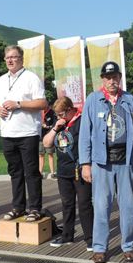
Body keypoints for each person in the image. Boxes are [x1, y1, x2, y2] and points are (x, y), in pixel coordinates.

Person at [79, 61, 133, 263]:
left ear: (120, 78)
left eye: (115, 77)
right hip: (101, 162)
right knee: (101, 206)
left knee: (127, 206)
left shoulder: (129, 99)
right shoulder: (93, 100)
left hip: (126, 161)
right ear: (103, 79)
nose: (112, 81)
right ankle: (99, 247)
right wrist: (85, 163)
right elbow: (84, 135)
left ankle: (128, 245)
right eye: (108, 78)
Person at [0, 45, 47, 222]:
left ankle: (35, 208)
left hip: (28, 132)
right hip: (8, 133)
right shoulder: (0, 80)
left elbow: (42, 103)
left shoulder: (31, 78)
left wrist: (18, 104)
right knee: (14, 172)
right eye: (7, 57)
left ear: (21, 59)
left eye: (14, 57)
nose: (10, 60)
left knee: (31, 172)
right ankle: (18, 207)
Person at [42, 97, 93, 250]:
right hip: (63, 170)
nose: (59, 117)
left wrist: (87, 166)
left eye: (61, 114)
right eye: (57, 114)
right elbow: (46, 143)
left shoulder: (82, 121)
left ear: (70, 109)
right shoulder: (59, 124)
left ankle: (90, 238)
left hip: (79, 169)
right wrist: (55, 128)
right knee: (67, 204)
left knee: (84, 204)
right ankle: (67, 236)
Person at [39, 104, 57, 178]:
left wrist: (47, 126)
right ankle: (40, 173)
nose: (43, 109)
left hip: (49, 136)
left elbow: (54, 124)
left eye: (45, 107)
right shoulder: (39, 112)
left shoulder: (52, 112)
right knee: (41, 155)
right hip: (41, 137)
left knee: (50, 154)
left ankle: (52, 172)